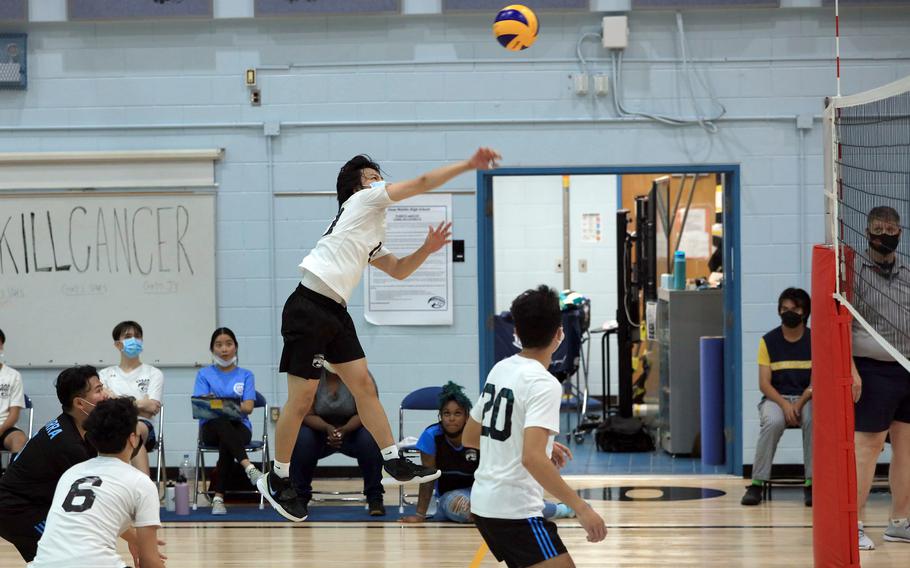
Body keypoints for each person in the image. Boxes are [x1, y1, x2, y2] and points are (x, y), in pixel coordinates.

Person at [259, 147, 501, 522]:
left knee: (365, 387)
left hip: (335, 312)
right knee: (302, 398)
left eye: (377, 176)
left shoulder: (368, 229)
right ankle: (277, 476)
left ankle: (391, 459)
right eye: (372, 176)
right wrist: (468, 165)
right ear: (357, 187)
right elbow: (420, 183)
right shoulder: (361, 201)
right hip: (307, 306)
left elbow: (400, 270)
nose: (379, 181)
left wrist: (428, 248)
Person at [464, 286, 607, 568]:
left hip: (483, 503)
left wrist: (541, 442)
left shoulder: (501, 368)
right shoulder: (545, 384)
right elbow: (532, 458)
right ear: (559, 333)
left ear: (516, 331)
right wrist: (582, 508)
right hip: (513, 511)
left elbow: (471, 435)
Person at [400, 381, 575, 525]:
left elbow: (513, 442)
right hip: (451, 494)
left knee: (520, 505)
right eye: (446, 413)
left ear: (467, 416)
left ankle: (563, 509)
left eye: (457, 413)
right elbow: (427, 479)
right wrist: (420, 515)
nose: (451, 418)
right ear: (440, 416)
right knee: (464, 509)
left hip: (486, 490)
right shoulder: (431, 436)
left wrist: (546, 444)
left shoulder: (480, 433)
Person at [29, 397, 166, 568]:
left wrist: (135, 540)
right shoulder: (141, 482)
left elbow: (93, 516)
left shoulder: (71, 474)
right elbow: (149, 562)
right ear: (133, 439)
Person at [0, 366, 107, 562]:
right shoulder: (69, 444)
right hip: (17, 511)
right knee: (63, 553)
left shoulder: (78, 428)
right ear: (79, 403)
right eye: (98, 390)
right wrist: (135, 539)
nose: (106, 395)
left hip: (32, 504)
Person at [850, 205, 910, 550]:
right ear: (868, 232)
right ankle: (855, 524)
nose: (886, 233)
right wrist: (851, 368)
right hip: (872, 369)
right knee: (868, 447)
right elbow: (843, 323)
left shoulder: (907, 271)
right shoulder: (853, 272)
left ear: (900, 232)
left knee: (906, 447)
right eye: (879, 228)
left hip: (907, 368)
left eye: (892, 228)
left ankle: (899, 522)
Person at [741, 288, 813, 507]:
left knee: (813, 421)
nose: (789, 312)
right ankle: (756, 483)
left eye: (795, 308)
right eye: (785, 309)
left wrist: (799, 404)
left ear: (805, 312)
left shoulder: (815, 340)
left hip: (807, 398)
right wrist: (784, 405)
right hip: (775, 398)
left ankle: (811, 483)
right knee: (773, 422)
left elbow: (817, 381)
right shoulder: (768, 341)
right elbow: (764, 383)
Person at [290, 366, 385, 515]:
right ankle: (300, 497)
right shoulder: (312, 376)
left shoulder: (360, 375)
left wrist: (345, 429)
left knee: (370, 438)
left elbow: (368, 411)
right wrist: (328, 427)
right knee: (302, 438)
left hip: (353, 429)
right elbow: (306, 414)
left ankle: (375, 497)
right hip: (320, 430)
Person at [193, 327, 264, 515]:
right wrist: (231, 406)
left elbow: (248, 407)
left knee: (227, 434)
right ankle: (248, 467)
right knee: (221, 422)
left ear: (236, 347)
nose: (224, 349)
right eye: (219, 345)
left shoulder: (246, 375)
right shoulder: (204, 374)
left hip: (240, 428)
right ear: (212, 350)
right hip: (210, 429)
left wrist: (215, 403)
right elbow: (201, 406)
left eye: (228, 344)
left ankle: (218, 499)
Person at [98, 321, 164, 476]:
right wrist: (139, 403)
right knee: (120, 432)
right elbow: (103, 408)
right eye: (128, 336)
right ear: (118, 344)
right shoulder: (104, 374)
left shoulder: (153, 373)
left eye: (137, 336)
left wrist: (117, 400)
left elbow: (151, 409)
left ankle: (143, 488)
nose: (134, 340)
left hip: (144, 426)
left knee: (132, 429)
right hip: (111, 424)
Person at [0, 328, 27, 455]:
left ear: (1, 346)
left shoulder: (13, 376)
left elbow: (14, 414)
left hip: (4, 428)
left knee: (20, 440)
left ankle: (12, 475)